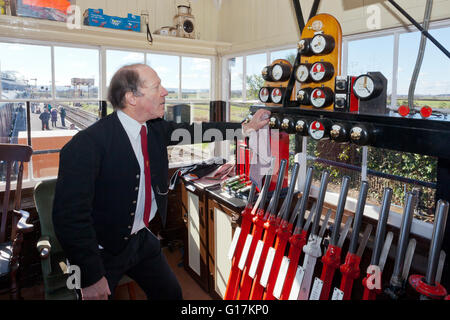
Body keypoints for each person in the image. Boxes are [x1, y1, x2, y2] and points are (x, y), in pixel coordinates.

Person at [52, 63, 270, 300]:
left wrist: (246, 127)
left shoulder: (155, 128)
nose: (165, 92)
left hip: (141, 239)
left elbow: (198, 131)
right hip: (102, 251)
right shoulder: (87, 145)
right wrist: (90, 277)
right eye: (156, 87)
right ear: (131, 98)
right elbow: (68, 218)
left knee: (170, 294)